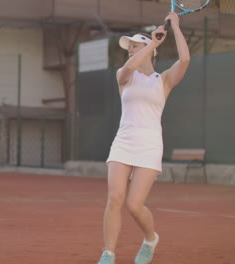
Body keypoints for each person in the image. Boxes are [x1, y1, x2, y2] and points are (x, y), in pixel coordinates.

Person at [97, 12, 190, 264]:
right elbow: (129, 67)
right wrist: (152, 44)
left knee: (134, 205)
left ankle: (150, 238)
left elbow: (185, 59)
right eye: (130, 48)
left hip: (149, 145)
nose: (130, 51)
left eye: (135, 46)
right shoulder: (124, 77)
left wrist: (177, 27)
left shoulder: (164, 81)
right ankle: (108, 254)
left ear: (150, 52)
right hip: (123, 143)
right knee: (115, 197)